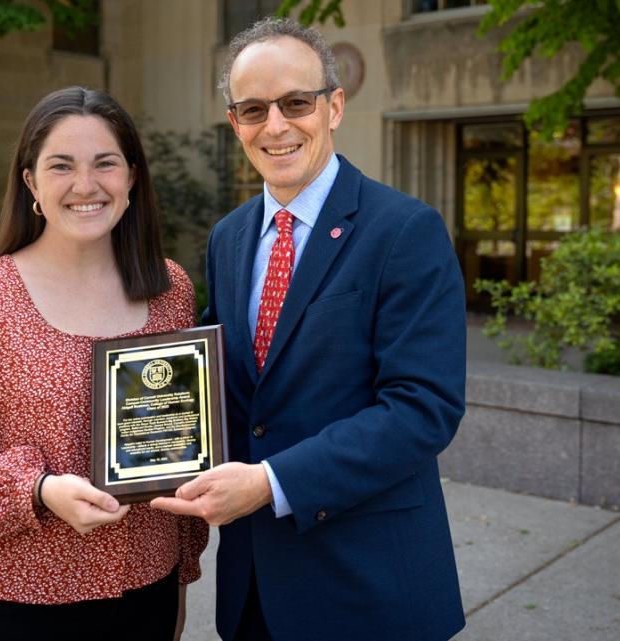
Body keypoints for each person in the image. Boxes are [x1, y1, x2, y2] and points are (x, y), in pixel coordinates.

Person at [152, 18, 467, 641]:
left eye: (296, 102)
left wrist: (271, 483)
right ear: (234, 120)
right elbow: (221, 387)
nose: (275, 125)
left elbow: (422, 409)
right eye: (252, 109)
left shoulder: (405, 231)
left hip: (366, 585)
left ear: (335, 106)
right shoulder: (229, 236)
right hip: (254, 590)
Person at [0, 86, 208, 641]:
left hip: (145, 589)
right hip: (16, 601)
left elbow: (178, 442)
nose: (85, 185)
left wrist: (179, 583)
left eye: (105, 163)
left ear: (131, 177)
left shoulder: (169, 290)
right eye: (61, 166)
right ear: (30, 182)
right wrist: (39, 490)